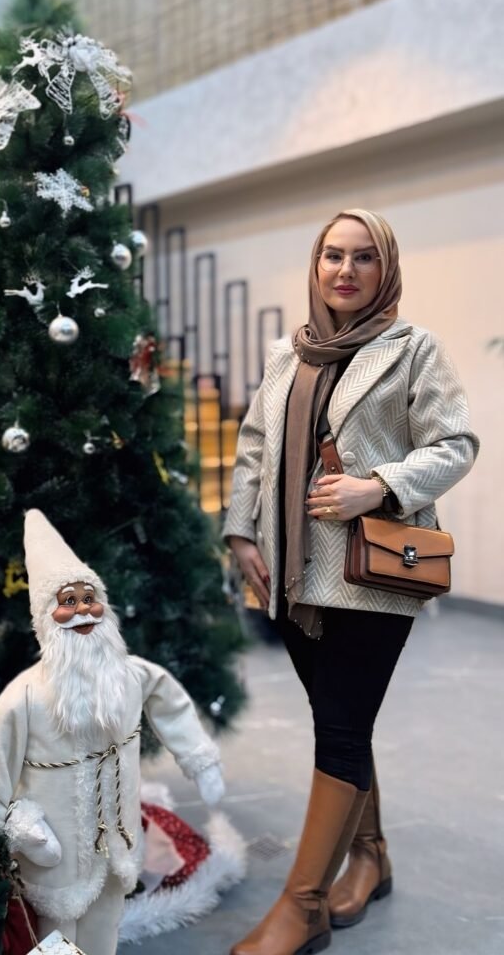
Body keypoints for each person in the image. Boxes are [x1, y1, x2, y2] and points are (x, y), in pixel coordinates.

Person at [223, 209, 478, 955]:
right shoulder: (287, 353)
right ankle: (369, 856)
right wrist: (241, 530)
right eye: (332, 255)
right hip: (287, 571)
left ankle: (301, 905)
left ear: (384, 269)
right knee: (341, 718)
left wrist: (380, 485)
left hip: (369, 576)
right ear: (315, 265)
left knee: (338, 726)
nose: (344, 270)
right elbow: (252, 447)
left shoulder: (411, 349)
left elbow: (455, 441)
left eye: (363, 257)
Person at [0, 509, 225, 955]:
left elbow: (170, 701)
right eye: (66, 600)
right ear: (45, 619)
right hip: (57, 853)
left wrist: (198, 758)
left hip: (119, 843)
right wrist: (24, 829)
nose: (82, 611)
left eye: (89, 597)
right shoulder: (23, 699)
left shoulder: (128, 676)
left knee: (106, 921)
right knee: (56, 934)